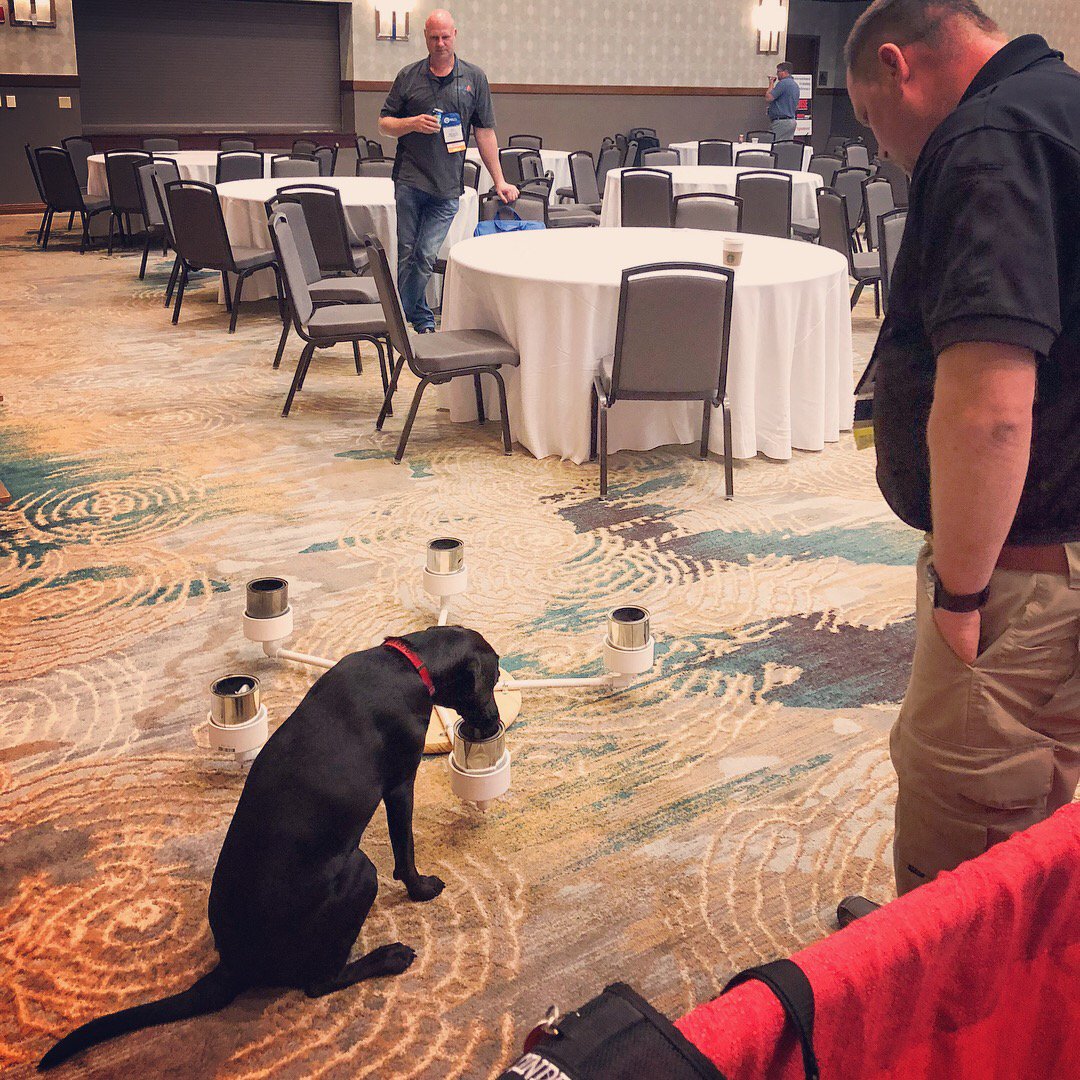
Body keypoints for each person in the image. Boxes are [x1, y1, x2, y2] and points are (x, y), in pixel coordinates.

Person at [845, 0, 1080, 899]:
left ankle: (946, 1026)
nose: (881, 145)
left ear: (899, 65)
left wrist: (962, 591)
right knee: (1045, 800)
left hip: (1023, 571)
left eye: (870, 118)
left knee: (963, 842)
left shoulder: (993, 139)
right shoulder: (1064, 106)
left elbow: (988, 410)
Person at [378, 8, 518, 333]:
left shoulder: (474, 79)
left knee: (425, 254)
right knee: (406, 253)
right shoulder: (408, 76)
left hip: (447, 187)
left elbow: (485, 133)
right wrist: (411, 123)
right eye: (433, 37)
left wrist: (499, 180)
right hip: (409, 181)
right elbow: (384, 123)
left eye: (445, 36)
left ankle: (396, 316)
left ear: (455, 35)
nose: (440, 43)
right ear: (425, 38)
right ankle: (422, 320)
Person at [764, 61, 799, 141]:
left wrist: (771, 83)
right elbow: (797, 106)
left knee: (773, 145)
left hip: (781, 122)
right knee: (785, 147)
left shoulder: (783, 83)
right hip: (791, 121)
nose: (777, 74)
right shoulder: (795, 85)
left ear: (785, 72)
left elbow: (768, 97)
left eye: (778, 71)